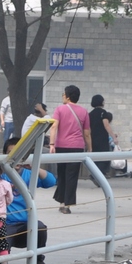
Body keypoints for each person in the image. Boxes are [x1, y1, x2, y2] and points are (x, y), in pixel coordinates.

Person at [0, 136, 57, 264]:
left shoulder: (29, 174)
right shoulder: (0, 174)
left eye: (21, 154)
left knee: (40, 227)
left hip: (25, 224)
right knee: (1, 252)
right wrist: (0, 168)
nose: (17, 158)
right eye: (12, 153)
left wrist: (34, 166)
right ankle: (1, 257)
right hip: (4, 223)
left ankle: (38, 259)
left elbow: (51, 181)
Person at [49, 85, 91, 214]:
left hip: (61, 146)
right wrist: (90, 148)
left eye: (63, 94)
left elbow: (54, 127)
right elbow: (87, 133)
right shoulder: (84, 112)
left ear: (67, 96)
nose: (62, 96)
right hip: (77, 147)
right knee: (72, 176)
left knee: (61, 175)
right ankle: (67, 205)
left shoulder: (59, 110)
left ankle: (61, 202)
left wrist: (51, 144)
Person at [89, 94, 116, 178]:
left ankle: (96, 175)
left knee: (96, 158)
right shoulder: (103, 113)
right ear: (101, 102)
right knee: (105, 157)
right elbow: (106, 125)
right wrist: (114, 137)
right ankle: (98, 175)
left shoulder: (90, 114)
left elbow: (88, 128)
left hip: (93, 139)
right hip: (102, 139)